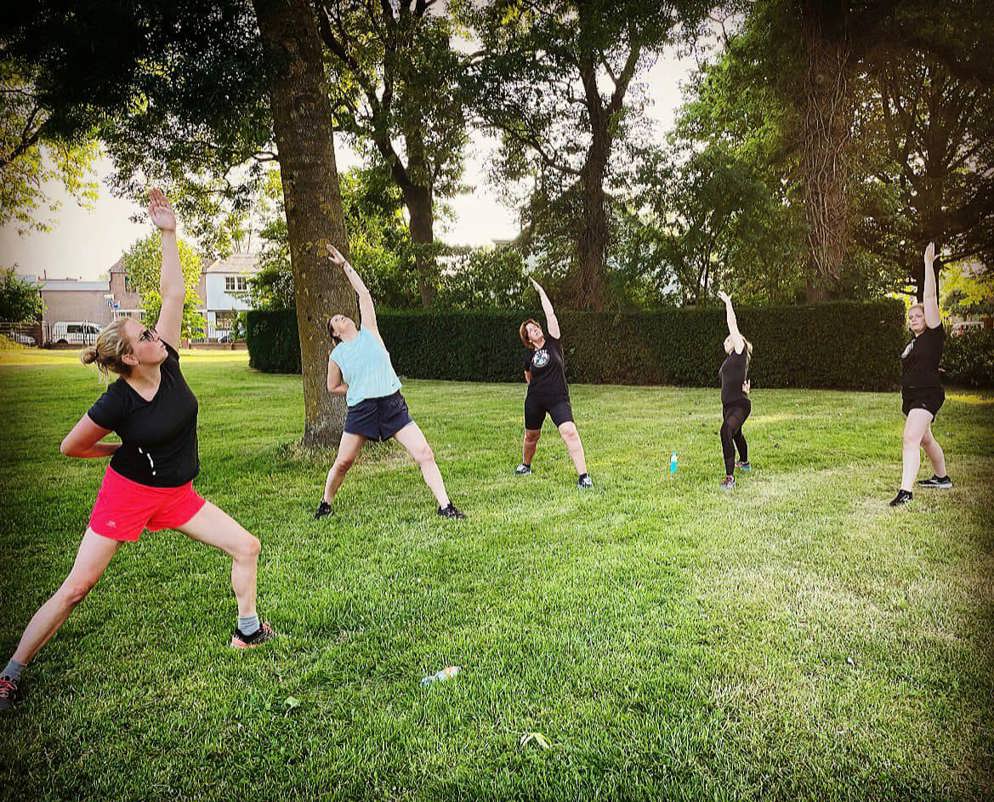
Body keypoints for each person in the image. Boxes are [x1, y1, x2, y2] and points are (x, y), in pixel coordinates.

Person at [0, 190, 274, 712]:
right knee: (77, 588)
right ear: (129, 357)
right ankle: (10, 673)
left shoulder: (166, 360)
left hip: (178, 494)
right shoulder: (118, 401)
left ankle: (247, 631)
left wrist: (169, 233)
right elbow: (71, 446)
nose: (155, 336)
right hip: (127, 495)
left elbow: (173, 294)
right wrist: (114, 453)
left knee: (246, 546)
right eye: (144, 335)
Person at [316, 244, 465, 520]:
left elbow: (363, 294)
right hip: (362, 409)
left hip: (392, 403)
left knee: (424, 453)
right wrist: (356, 387)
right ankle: (325, 503)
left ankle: (445, 506)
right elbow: (332, 387)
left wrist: (345, 265)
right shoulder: (337, 355)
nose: (341, 317)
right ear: (334, 333)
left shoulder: (369, 331)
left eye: (342, 315)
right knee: (344, 462)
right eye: (336, 320)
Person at [891, 242, 952, 506]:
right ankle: (942, 478)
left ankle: (905, 492)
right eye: (910, 317)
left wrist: (928, 264)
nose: (913, 318)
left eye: (918, 315)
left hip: (927, 395)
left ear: (928, 318)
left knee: (910, 439)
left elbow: (929, 298)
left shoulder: (934, 335)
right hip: (912, 398)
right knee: (926, 440)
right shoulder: (914, 343)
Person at [516, 278, 592, 488]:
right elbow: (528, 376)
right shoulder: (529, 356)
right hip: (535, 400)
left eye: (535, 326)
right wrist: (535, 391)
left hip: (558, 398)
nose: (535, 329)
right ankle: (526, 465)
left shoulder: (553, 341)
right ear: (528, 339)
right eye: (530, 330)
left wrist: (541, 291)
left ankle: (584, 476)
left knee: (569, 432)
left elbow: (550, 314)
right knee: (531, 436)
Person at [717, 291, 753, 491]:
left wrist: (728, 303)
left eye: (729, 339)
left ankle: (730, 478)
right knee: (736, 434)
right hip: (728, 406)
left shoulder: (740, 351)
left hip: (739, 404)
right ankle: (745, 463)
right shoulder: (732, 360)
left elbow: (732, 324)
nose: (726, 340)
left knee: (726, 432)